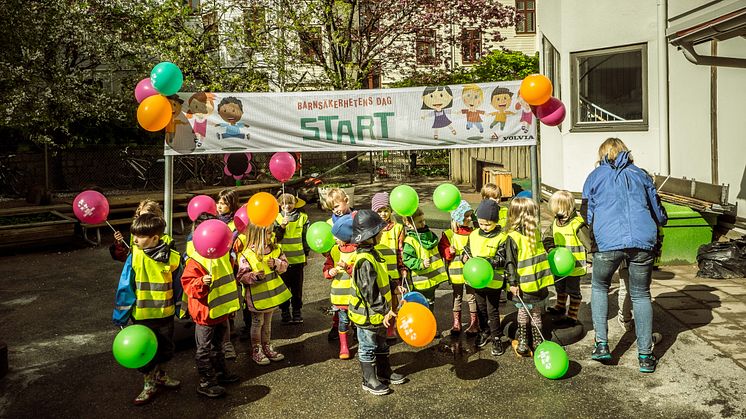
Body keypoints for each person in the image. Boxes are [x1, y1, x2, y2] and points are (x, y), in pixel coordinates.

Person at [582, 138, 667, 373]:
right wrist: (660, 223)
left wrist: (595, 236)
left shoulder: (594, 177)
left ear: (602, 155)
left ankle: (602, 345)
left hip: (608, 242)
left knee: (599, 285)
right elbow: (658, 211)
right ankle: (645, 356)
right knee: (641, 294)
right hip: (642, 241)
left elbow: (586, 213)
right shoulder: (641, 174)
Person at [114, 213, 181, 405]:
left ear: (155, 238)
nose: (134, 239)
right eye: (134, 235)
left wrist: (181, 309)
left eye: (140, 236)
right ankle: (148, 383)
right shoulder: (134, 257)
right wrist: (121, 315)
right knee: (145, 352)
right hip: (142, 317)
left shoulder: (173, 258)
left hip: (165, 315)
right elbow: (125, 287)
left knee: (165, 349)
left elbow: (179, 286)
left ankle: (161, 376)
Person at [181, 213, 242, 398]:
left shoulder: (223, 254)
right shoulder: (195, 259)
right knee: (204, 348)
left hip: (221, 311)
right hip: (204, 314)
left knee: (218, 345)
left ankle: (221, 373)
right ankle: (206, 382)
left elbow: (230, 276)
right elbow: (188, 285)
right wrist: (201, 282)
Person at [348, 210, 406, 396]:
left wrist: (394, 286)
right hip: (368, 315)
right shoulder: (364, 261)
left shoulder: (373, 254)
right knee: (367, 346)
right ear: (370, 236)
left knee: (381, 343)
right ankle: (369, 380)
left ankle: (384, 372)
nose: (382, 233)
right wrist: (385, 310)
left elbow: (381, 276)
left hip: (378, 315)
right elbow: (370, 292)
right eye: (379, 231)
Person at [504, 197, 554, 357]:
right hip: (539, 282)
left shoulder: (513, 237)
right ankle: (538, 342)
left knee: (524, 312)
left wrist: (512, 282)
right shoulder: (535, 234)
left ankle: (524, 343)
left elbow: (510, 262)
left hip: (524, 285)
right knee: (537, 312)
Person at [236, 223, 292, 365]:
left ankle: (267, 346)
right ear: (257, 234)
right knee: (257, 322)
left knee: (267, 323)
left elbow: (285, 265)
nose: (271, 235)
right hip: (257, 297)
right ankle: (256, 350)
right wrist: (253, 276)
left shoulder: (275, 249)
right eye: (268, 233)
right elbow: (241, 277)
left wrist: (277, 263)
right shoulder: (246, 254)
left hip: (271, 296)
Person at [462, 200, 509, 356]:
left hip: (494, 281)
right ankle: (485, 331)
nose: (484, 227)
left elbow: (502, 258)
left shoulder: (502, 237)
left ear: (495, 222)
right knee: (481, 308)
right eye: (481, 223)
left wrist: (485, 261)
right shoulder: (474, 234)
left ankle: (497, 338)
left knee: (492, 310)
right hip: (477, 281)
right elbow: (468, 250)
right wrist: (464, 256)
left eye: (488, 224)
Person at [543, 190, 591, 327]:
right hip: (558, 265)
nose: (554, 212)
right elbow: (547, 237)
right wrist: (550, 248)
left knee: (573, 290)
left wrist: (592, 259)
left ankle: (572, 316)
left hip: (574, 267)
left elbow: (589, 243)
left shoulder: (577, 224)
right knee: (560, 287)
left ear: (564, 208)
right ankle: (560, 307)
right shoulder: (556, 222)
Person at [438, 200, 479, 336]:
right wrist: (449, 251)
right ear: (457, 217)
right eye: (465, 216)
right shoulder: (449, 234)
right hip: (456, 273)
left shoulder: (473, 233)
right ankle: (457, 322)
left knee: (471, 296)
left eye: (470, 216)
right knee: (457, 297)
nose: (468, 219)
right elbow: (443, 251)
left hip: (470, 272)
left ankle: (474, 322)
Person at [371, 192, 407, 341]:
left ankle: (391, 327)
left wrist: (402, 268)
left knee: (393, 301)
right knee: (380, 299)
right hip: (378, 272)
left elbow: (401, 251)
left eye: (386, 210)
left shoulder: (398, 228)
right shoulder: (372, 229)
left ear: (391, 211)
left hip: (393, 272)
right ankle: (381, 325)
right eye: (379, 211)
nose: (383, 214)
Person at [402, 208, 449, 312]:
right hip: (421, 280)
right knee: (421, 305)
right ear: (409, 224)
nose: (423, 224)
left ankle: (429, 323)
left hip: (431, 280)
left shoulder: (430, 235)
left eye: (423, 220)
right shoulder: (410, 241)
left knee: (430, 303)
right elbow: (407, 259)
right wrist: (421, 263)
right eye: (419, 222)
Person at [323, 214, 356, 359]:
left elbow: (360, 270)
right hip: (340, 295)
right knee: (343, 321)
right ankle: (344, 346)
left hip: (354, 295)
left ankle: (362, 343)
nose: (335, 240)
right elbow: (326, 267)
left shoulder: (357, 250)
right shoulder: (334, 250)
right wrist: (330, 272)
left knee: (356, 321)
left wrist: (348, 267)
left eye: (337, 237)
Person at [323, 188, 355, 338]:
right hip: (338, 262)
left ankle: (357, 326)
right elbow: (326, 244)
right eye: (332, 208)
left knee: (355, 297)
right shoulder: (329, 223)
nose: (335, 211)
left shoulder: (356, 218)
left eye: (336, 206)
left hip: (353, 260)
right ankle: (337, 325)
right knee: (339, 299)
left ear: (346, 201)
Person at [275, 193, 310, 324]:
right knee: (283, 288)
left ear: (296, 203)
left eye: (290, 202)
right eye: (283, 203)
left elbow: (306, 238)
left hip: (297, 260)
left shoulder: (303, 217)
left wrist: (306, 254)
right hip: (281, 261)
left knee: (297, 288)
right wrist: (281, 227)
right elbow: (275, 238)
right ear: (279, 203)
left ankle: (297, 311)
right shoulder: (276, 217)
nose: (286, 206)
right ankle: (285, 312)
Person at [216, 188, 241, 359]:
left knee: (230, 300)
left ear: (231, 205)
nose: (219, 206)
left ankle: (229, 334)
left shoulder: (235, 224)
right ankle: (224, 337)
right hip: (217, 266)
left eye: (223, 204)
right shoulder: (213, 221)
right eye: (218, 203)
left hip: (232, 266)